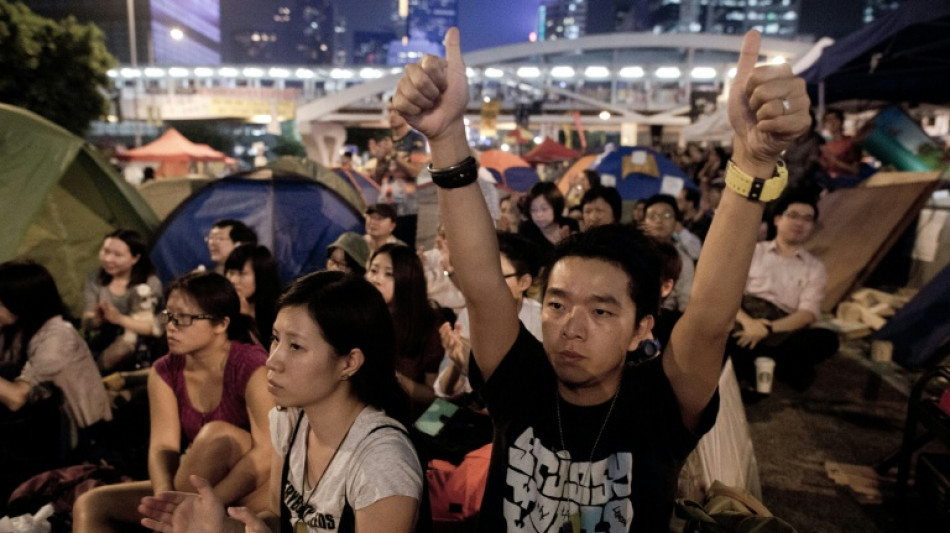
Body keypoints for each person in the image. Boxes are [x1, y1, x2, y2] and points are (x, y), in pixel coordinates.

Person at [392, 27, 808, 531]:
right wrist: (446, 137)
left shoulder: (661, 403)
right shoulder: (520, 383)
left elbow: (711, 319)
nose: (572, 326)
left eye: (602, 310)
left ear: (642, 329)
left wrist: (753, 161)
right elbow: (482, 286)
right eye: (558, 304)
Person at [139, 271, 423, 533]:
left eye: (296, 346)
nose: (272, 360)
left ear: (349, 362)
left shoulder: (382, 461)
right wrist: (221, 526)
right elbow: (278, 517)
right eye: (275, 339)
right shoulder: (289, 420)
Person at [73, 272, 273, 533]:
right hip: (198, 481)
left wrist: (205, 504)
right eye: (168, 316)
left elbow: (268, 451)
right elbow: (162, 447)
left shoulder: (250, 364)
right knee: (91, 504)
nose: (172, 326)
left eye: (185, 319)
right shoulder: (165, 371)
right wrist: (165, 498)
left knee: (216, 435)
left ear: (221, 324)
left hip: (252, 485)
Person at [729, 193, 839, 391]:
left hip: (781, 328)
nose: (799, 223)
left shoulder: (815, 267)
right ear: (778, 219)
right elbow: (731, 295)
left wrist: (768, 329)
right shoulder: (753, 251)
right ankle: (770, 367)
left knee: (827, 340)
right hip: (744, 320)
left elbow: (807, 314)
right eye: (793, 215)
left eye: (807, 219)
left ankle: (758, 364)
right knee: (726, 337)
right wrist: (749, 324)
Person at [0, 260, 112, 431]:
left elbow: (16, 398)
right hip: (45, 422)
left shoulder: (58, 337)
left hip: (82, 435)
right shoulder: (19, 327)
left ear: (20, 302)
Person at [434, 232, 543, 399]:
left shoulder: (541, 320)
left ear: (524, 282)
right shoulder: (470, 315)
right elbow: (444, 391)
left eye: (498, 275)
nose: (487, 283)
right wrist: (457, 364)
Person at [366, 244, 444, 414]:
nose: (377, 279)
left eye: (389, 274)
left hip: (402, 416)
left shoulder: (426, 324)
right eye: (373, 270)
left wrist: (393, 377)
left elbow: (433, 396)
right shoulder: (359, 313)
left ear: (407, 279)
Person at [82, 229, 163, 372]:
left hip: (140, 345)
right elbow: (87, 320)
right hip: (104, 339)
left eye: (117, 255)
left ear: (135, 258)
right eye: (105, 251)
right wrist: (96, 320)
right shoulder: (96, 277)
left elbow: (155, 328)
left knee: (122, 349)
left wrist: (118, 318)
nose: (108, 259)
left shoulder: (149, 283)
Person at [642, 194, 695, 313]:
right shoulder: (630, 253)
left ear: (676, 222)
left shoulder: (684, 261)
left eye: (666, 215)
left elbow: (686, 304)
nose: (659, 220)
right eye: (652, 215)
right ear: (643, 222)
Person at [224, 244, 282, 346]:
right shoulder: (222, 310)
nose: (233, 280)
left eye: (242, 273)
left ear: (261, 275)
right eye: (231, 273)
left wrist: (247, 320)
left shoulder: (278, 312)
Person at [518, 181, 570, 253]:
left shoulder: (569, 224)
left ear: (555, 206)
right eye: (534, 210)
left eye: (544, 209)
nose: (539, 214)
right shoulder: (527, 230)